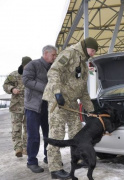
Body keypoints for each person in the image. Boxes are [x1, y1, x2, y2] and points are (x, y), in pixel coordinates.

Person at [42, 37, 98, 179]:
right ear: (86, 47)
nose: (93, 54)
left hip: (71, 102)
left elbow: (83, 91)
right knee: (57, 134)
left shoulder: (84, 65)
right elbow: (53, 72)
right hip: (58, 101)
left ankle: (78, 159)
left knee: (77, 133)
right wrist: (57, 93)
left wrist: (91, 110)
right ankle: (55, 169)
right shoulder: (69, 53)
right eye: (92, 50)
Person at [22, 45, 57, 173]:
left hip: (47, 106)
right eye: (53, 55)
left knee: (49, 134)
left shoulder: (53, 67)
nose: (55, 57)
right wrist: (46, 88)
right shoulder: (33, 65)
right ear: (46, 53)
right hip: (33, 107)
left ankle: (49, 157)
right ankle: (31, 161)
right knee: (34, 136)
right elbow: (26, 81)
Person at [3, 56, 32, 157]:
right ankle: (18, 148)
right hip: (16, 106)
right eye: (26, 66)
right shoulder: (14, 74)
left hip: (29, 106)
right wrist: (12, 89)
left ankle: (25, 148)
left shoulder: (32, 75)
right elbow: (5, 85)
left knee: (28, 128)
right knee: (16, 128)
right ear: (23, 65)